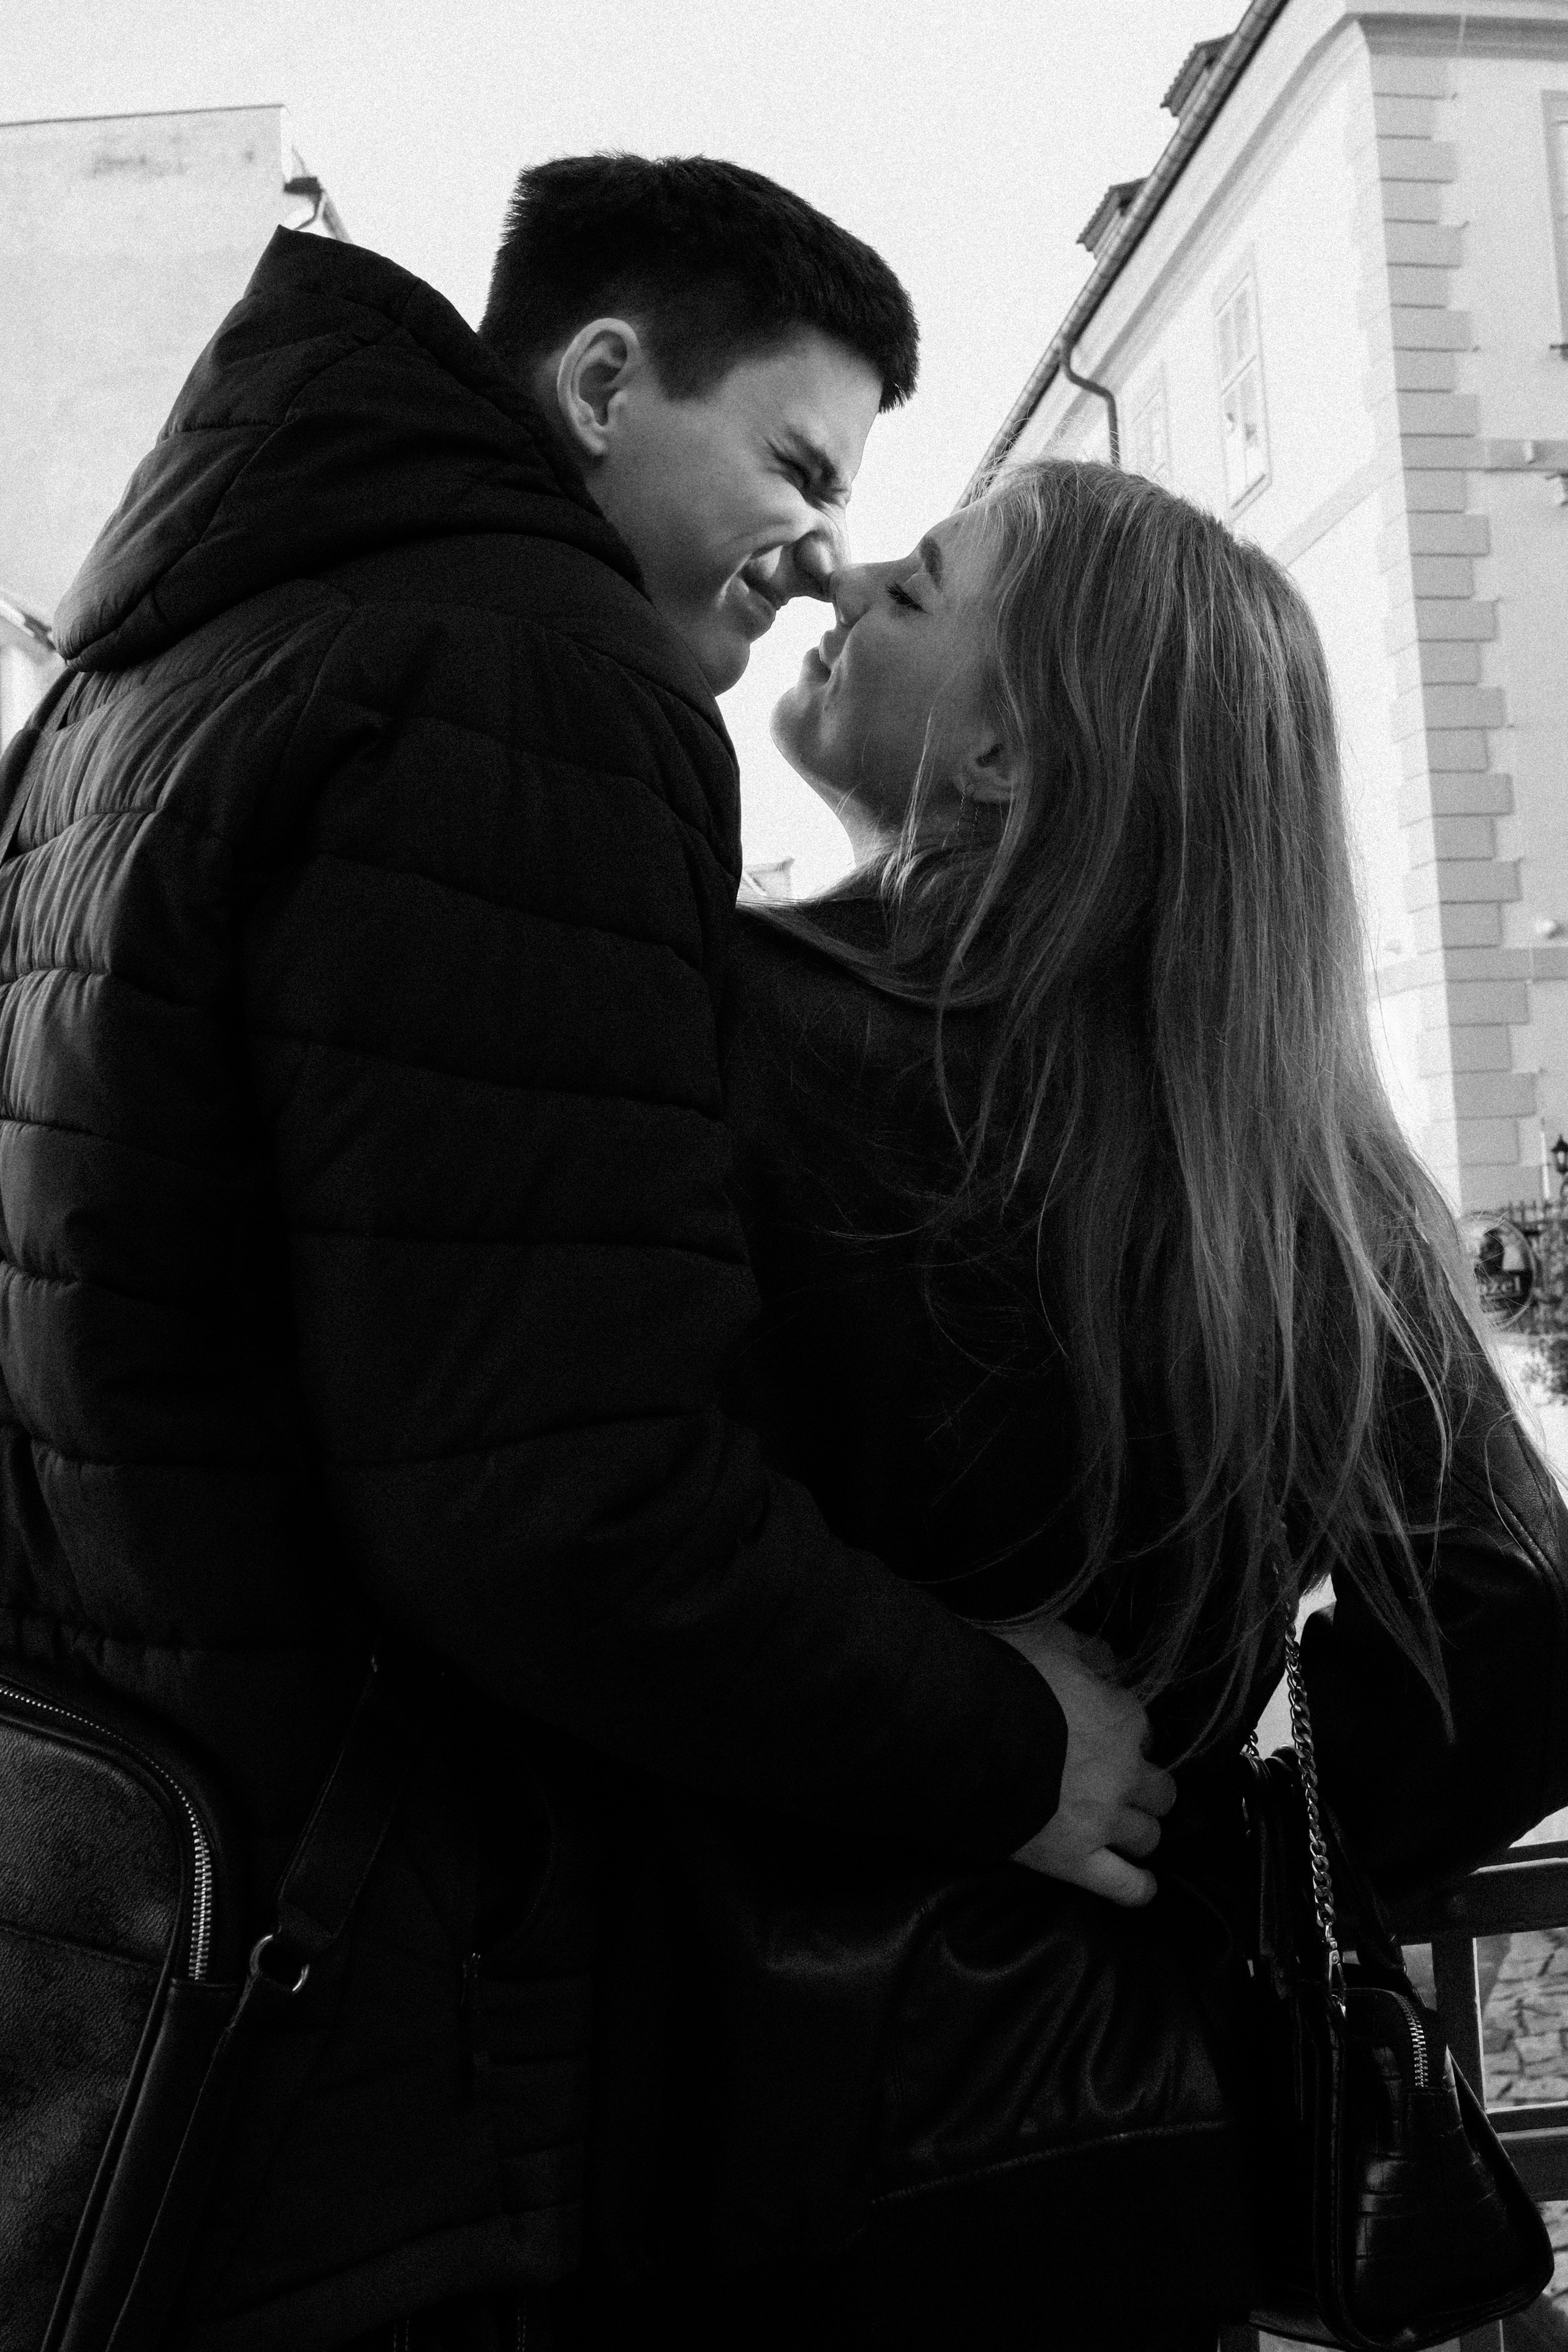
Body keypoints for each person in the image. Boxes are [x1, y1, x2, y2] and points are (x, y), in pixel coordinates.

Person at [0, 165, 1180, 2352]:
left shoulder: (153, 673)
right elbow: (561, 1490)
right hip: (364, 2008)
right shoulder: (523, 678)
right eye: (801, 465)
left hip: (133, 1935)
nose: (827, 548)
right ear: (607, 382)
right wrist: (1009, 1745)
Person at [568, 455, 1568, 2346]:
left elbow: (570, 1519)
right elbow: (1520, 1630)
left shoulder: (703, 1017)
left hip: (703, 2105)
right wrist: (1174, 1837)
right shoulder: (1286, 1153)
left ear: (1010, 765)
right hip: (1113, 2113)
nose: (846, 578)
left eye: (923, 591)